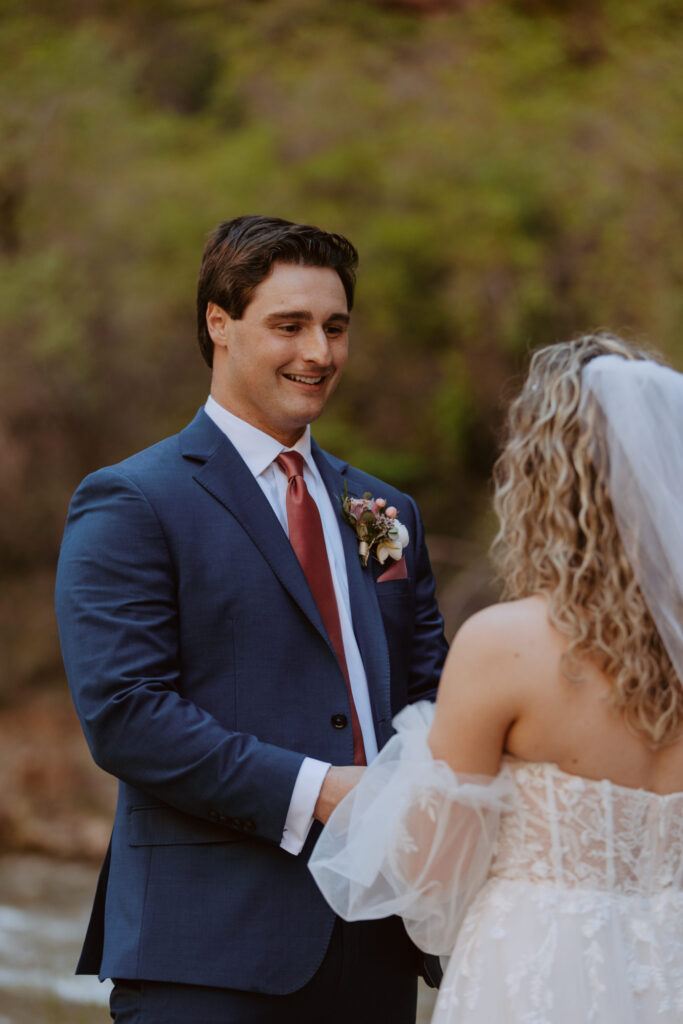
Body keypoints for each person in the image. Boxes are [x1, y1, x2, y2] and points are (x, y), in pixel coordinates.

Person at [54, 215, 448, 1023]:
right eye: (290, 325)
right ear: (219, 324)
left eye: (335, 328)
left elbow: (430, 694)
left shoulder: (384, 509)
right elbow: (127, 717)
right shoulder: (133, 500)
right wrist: (323, 792)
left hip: (377, 942)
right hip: (206, 955)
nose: (319, 354)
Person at [310, 332, 683, 1022]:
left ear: (544, 477)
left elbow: (433, 875)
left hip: (540, 965)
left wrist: (389, 788)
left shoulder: (506, 646)